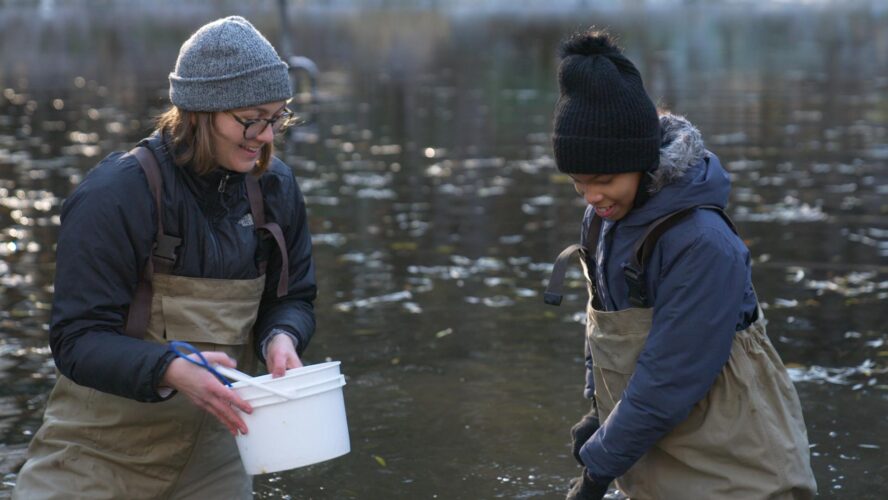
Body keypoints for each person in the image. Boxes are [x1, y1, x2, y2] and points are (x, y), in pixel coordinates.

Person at [13, 16, 316, 499]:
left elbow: (293, 298)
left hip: (215, 461)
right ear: (199, 111)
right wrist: (169, 369)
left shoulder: (275, 189)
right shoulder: (116, 195)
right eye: (252, 118)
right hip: (97, 459)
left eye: (277, 117)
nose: (266, 135)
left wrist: (281, 336)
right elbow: (76, 340)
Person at [543, 30, 817, 500]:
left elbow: (671, 377)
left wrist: (597, 472)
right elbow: (607, 326)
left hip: (736, 459)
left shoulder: (703, 244)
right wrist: (598, 411)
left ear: (641, 161)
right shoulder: (604, 220)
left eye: (603, 179)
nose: (591, 196)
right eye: (577, 182)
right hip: (651, 444)